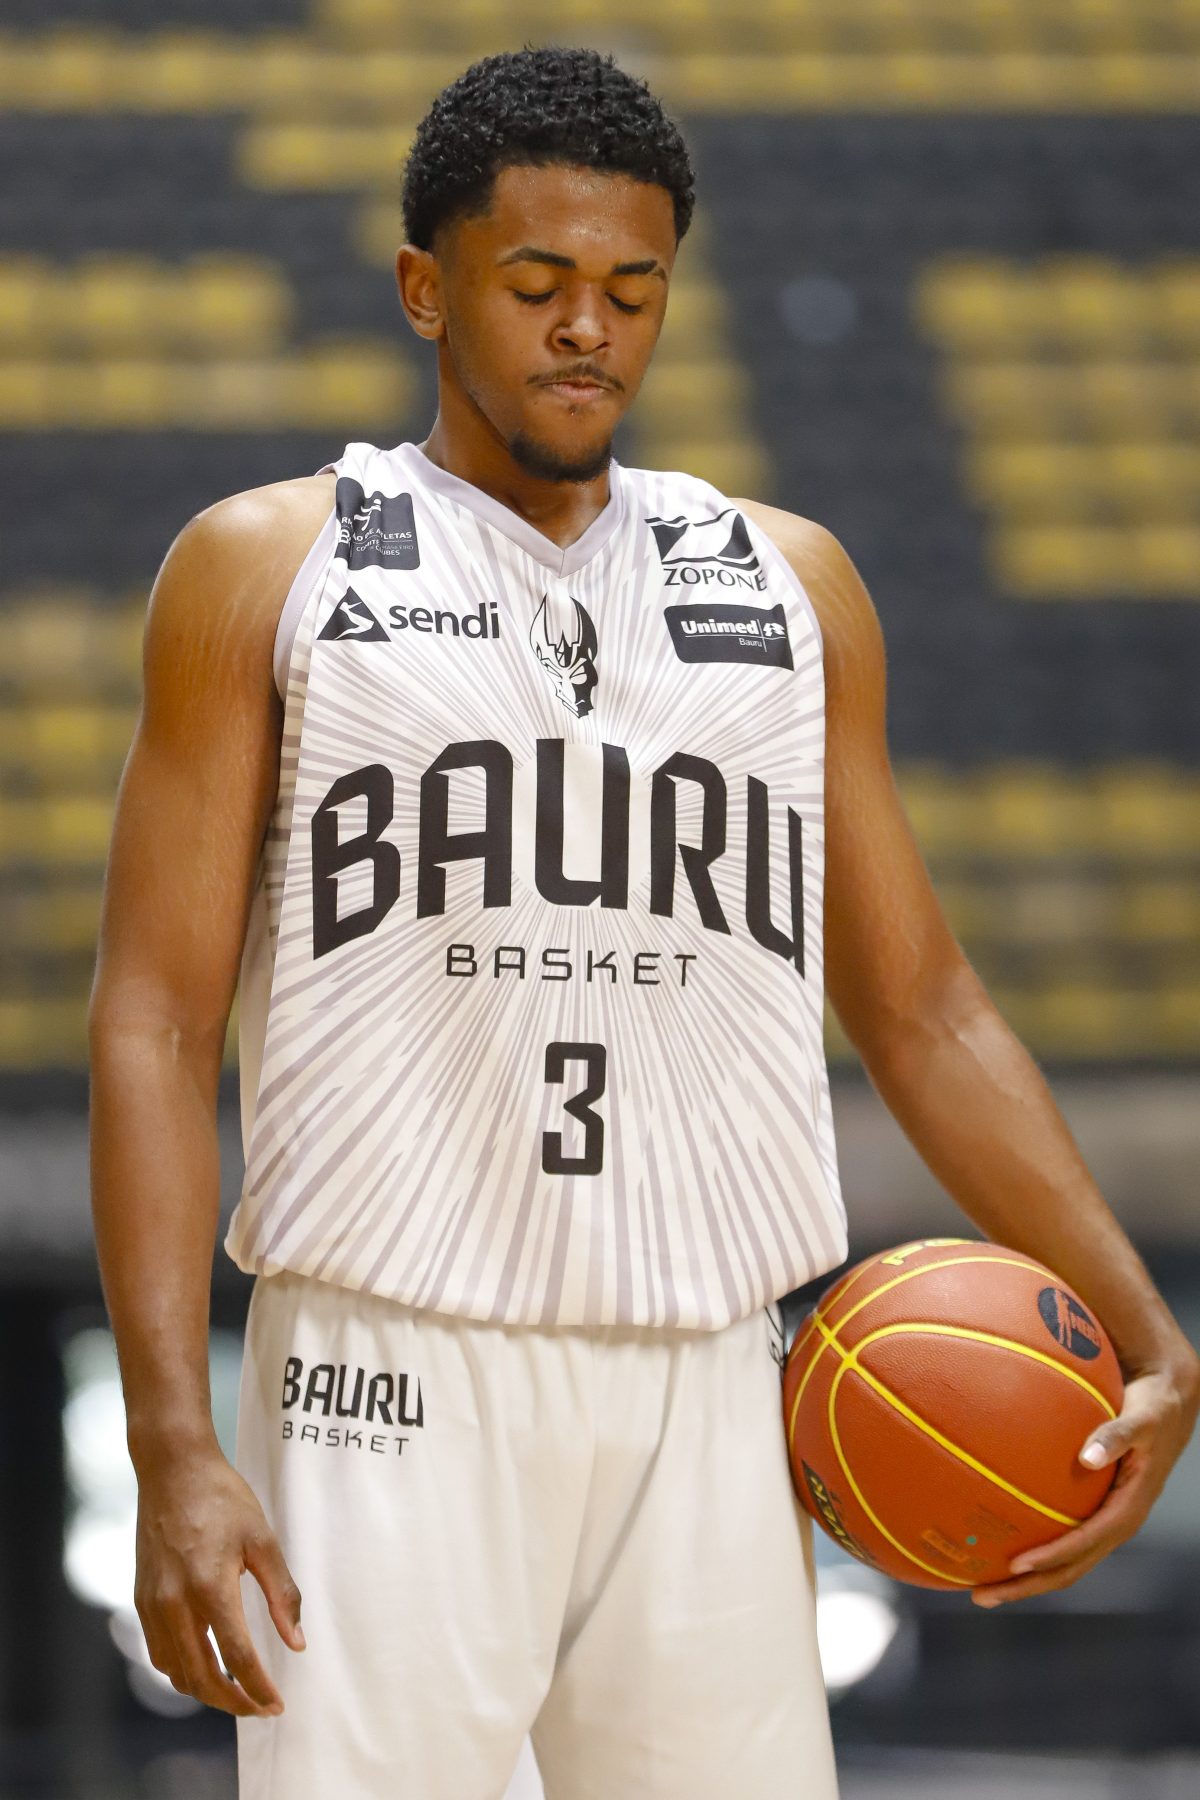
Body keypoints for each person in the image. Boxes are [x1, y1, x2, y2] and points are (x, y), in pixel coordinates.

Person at [88, 44, 1199, 1800]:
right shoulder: (270, 567)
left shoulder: (794, 584)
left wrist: (1144, 1325)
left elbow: (924, 1008)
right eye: (536, 283)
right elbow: (154, 1021)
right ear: (425, 289)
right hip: (385, 1368)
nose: (588, 329)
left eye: (633, 288)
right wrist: (170, 1439)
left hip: (709, 1374)